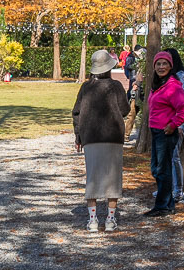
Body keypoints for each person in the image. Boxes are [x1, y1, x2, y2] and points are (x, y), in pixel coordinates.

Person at [73, 49, 131, 232]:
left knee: (92, 177)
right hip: (113, 136)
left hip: (90, 137)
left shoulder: (86, 87)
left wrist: (78, 136)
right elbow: (125, 110)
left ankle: (92, 220)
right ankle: (110, 219)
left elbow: (76, 113)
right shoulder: (115, 86)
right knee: (113, 178)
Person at [145, 52, 184, 217]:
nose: (161, 67)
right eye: (158, 64)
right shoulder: (158, 84)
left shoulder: (173, 86)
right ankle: (168, 203)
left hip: (166, 133)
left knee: (162, 169)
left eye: (165, 64)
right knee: (156, 169)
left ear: (171, 66)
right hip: (156, 131)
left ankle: (163, 206)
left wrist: (173, 125)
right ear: (154, 66)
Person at [161, 48, 184, 205]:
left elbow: (181, 102)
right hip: (169, 122)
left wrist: (177, 123)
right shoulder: (177, 76)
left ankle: (179, 192)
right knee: (168, 157)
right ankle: (168, 188)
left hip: (177, 122)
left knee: (174, 157)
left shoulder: (179, 77)